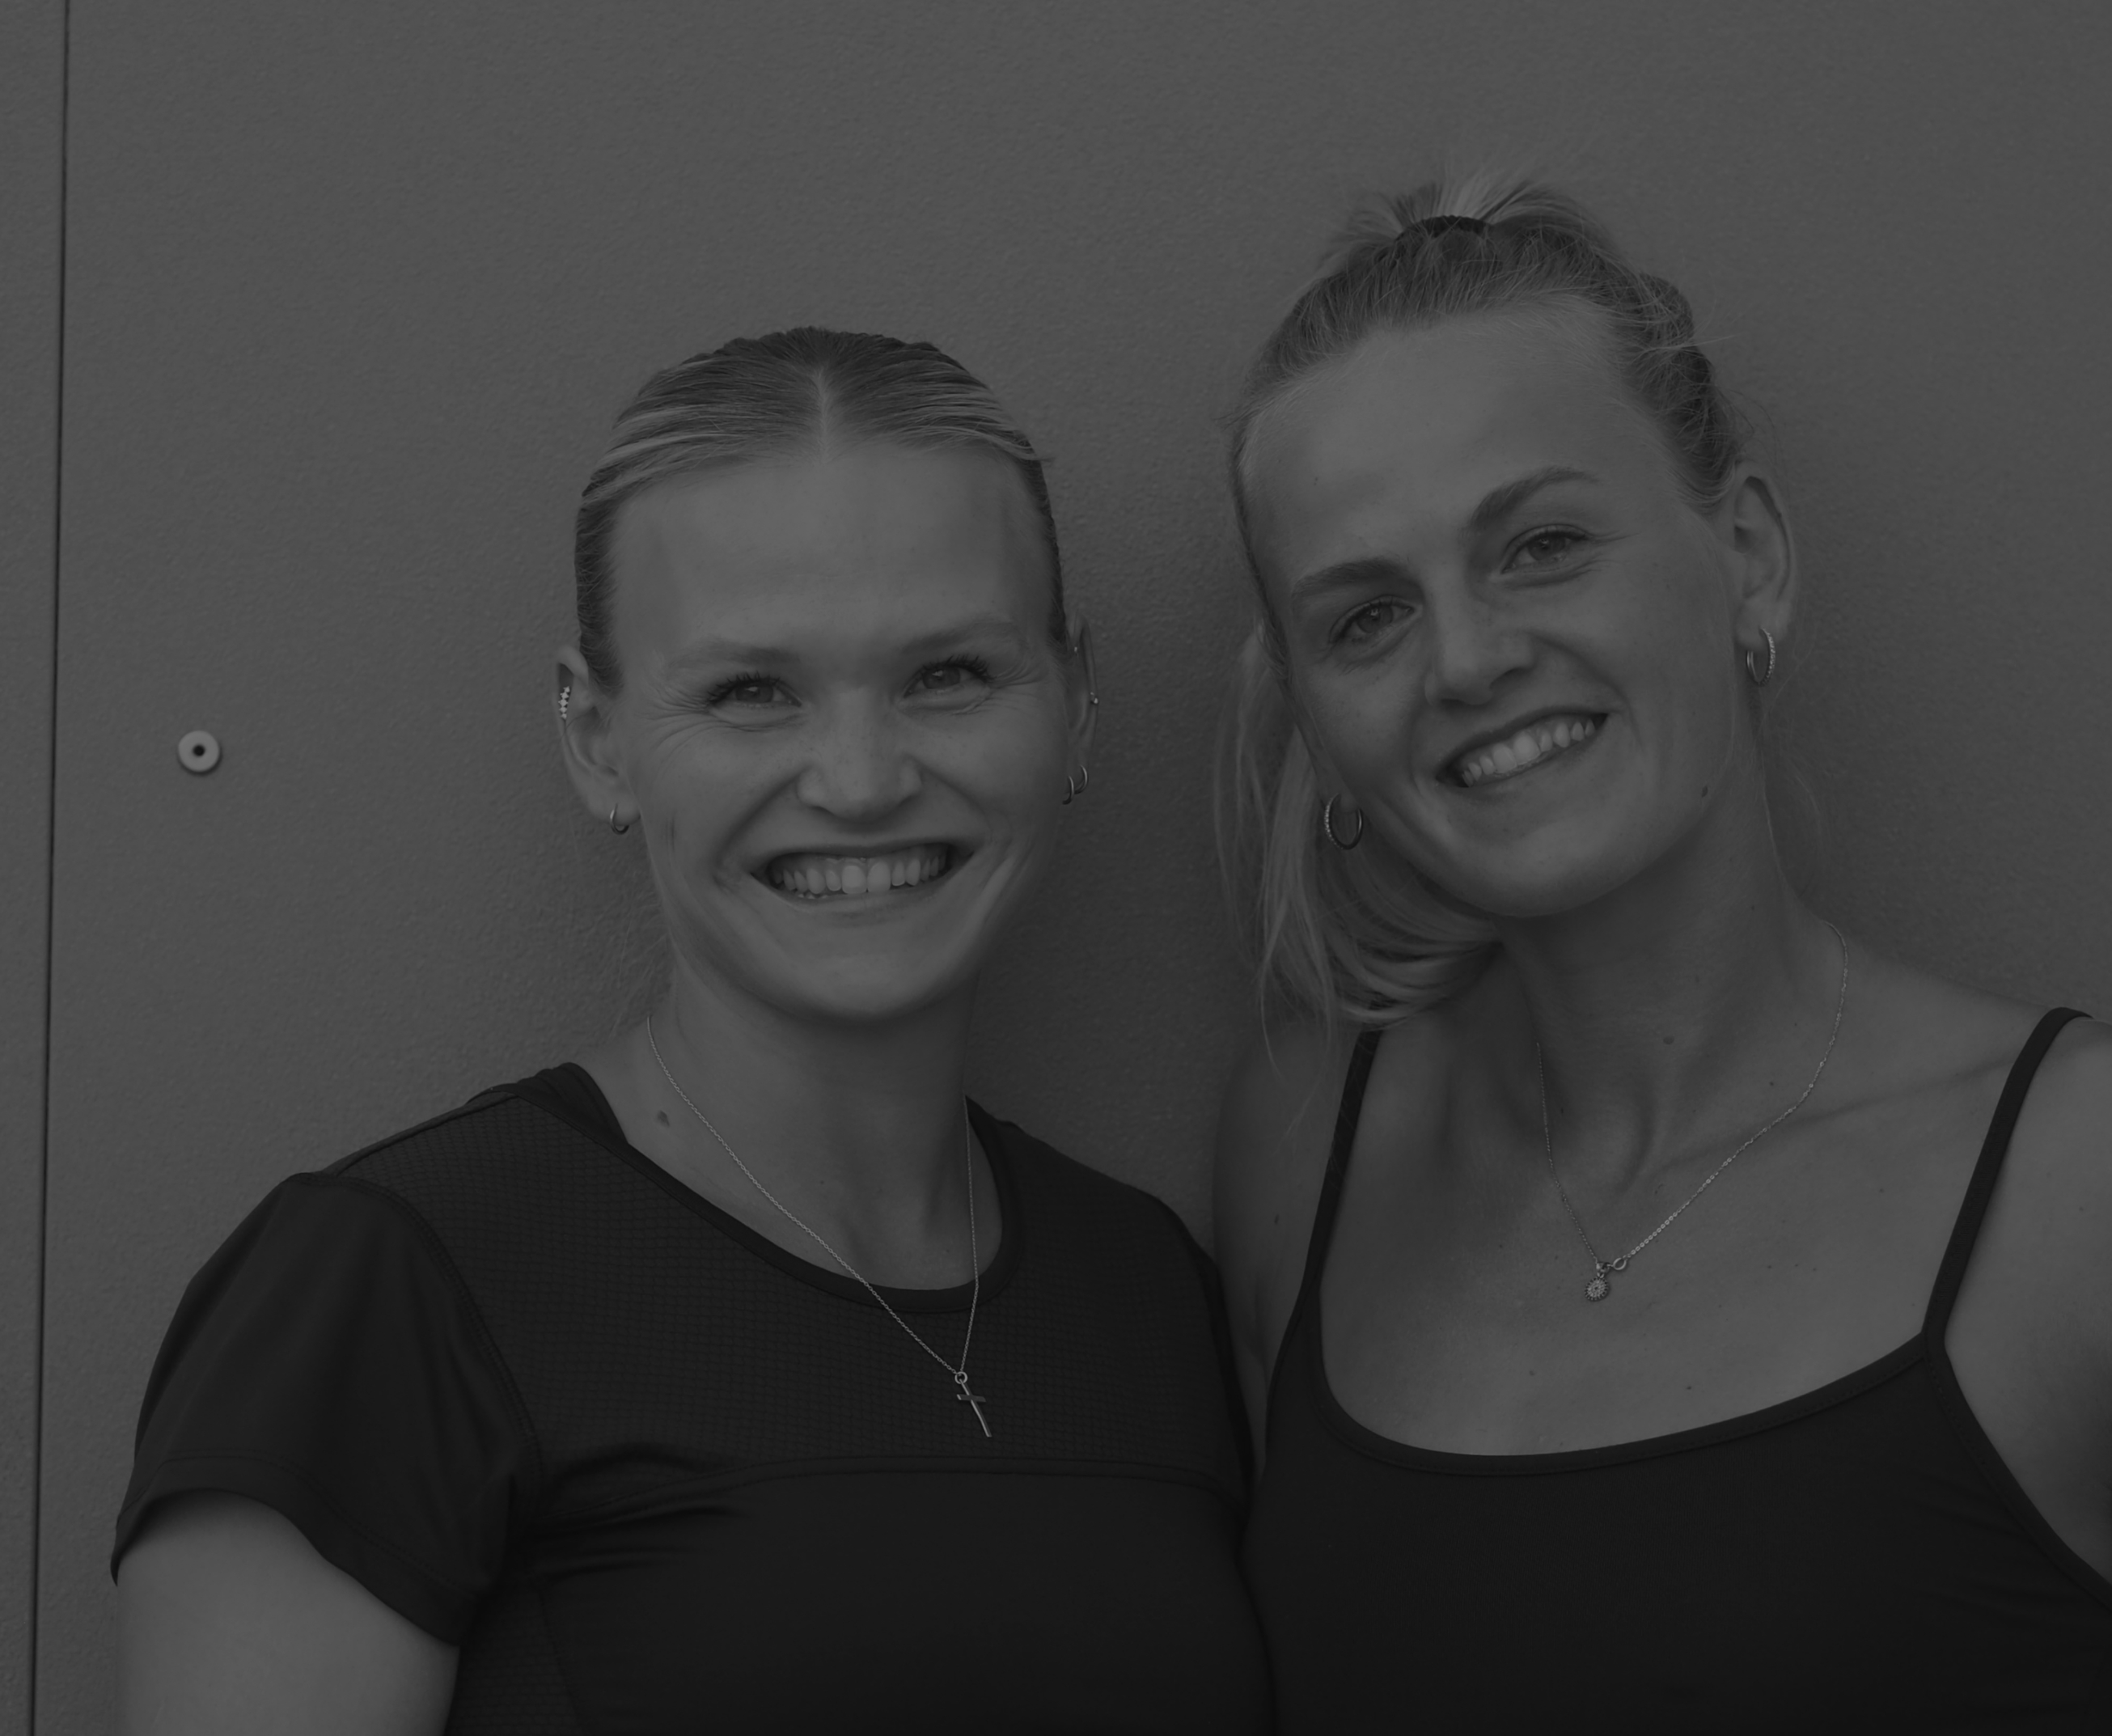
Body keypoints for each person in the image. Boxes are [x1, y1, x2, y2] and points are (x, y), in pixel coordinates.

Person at [1213, 180, 2112, 1733]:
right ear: (1314, 718)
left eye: (1543, 544)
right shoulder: (1309, 1147)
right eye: (1367, 617)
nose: (1470, 659)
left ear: (1749, 556)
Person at [116, 328, 1269, 1735]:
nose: (861, 779)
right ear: (596, 736)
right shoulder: (394, 1292)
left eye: (950, 673)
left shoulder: (1148, 1289)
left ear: (1076, 700)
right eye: (749, 691)